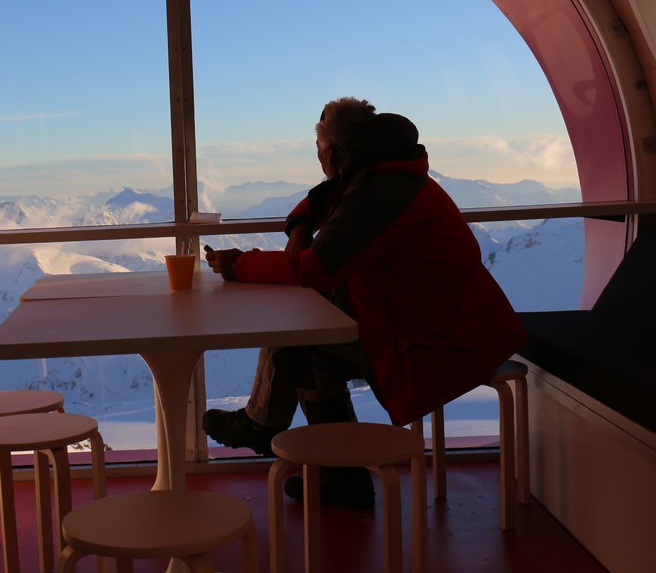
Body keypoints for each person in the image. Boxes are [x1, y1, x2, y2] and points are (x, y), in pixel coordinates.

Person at [203, 97, 526, 509]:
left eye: (318, 148)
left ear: (333, 151)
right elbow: (324, 198)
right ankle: (334, 473)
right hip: (439, 318)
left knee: (305, 338)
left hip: (440, 338)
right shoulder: (387, 173)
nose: (318, 157)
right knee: (307, 345)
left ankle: (271, 431)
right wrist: (300, 223)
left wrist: (238, 265)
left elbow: (318, 268)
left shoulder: (383, 192)